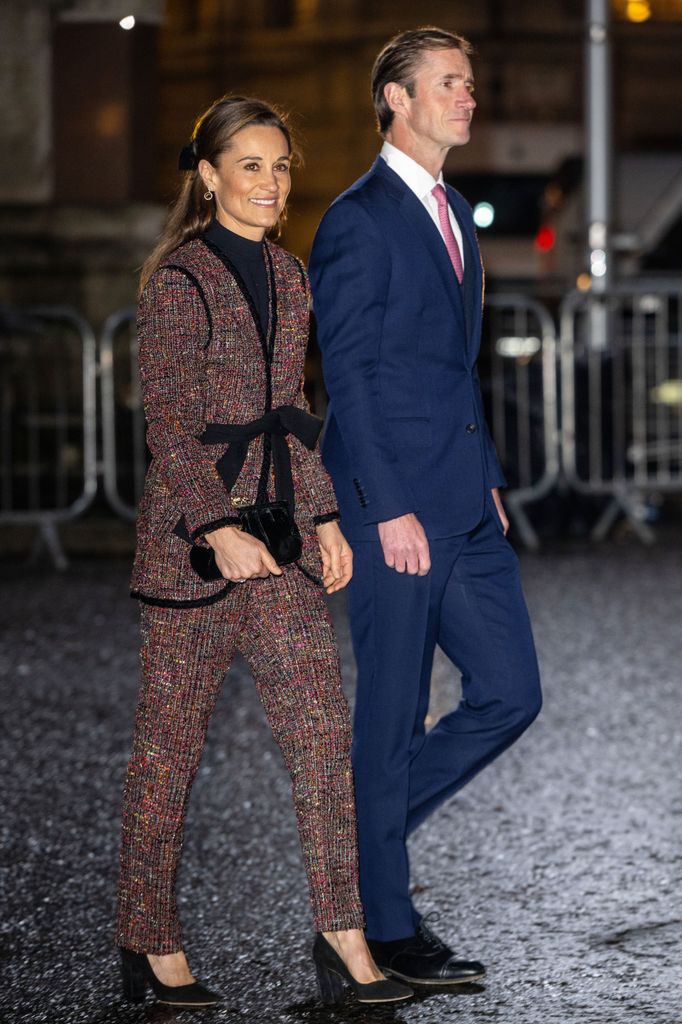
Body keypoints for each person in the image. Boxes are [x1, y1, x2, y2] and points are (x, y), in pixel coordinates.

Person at [115, 95, 411, 1008]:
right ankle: (146, 942)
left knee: (323, 740)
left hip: (279, 540)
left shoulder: (290, 274)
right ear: (207, 175)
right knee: (169, 752)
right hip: (192, 555)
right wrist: (216, 527)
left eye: (281, 167)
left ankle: (344, 941)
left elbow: (289, 417)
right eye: (250, 165)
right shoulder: (179, 281)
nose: (270, 183)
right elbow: (168, 423)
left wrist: (322, 518)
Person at [308, 28, 542, 985]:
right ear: (397, 99)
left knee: (512, 692)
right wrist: (386, 507)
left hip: (463, 502)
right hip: (389, 507)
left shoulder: (458, 216)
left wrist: (485, 471)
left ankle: (363, 838)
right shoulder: (357, 220)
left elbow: (453, 368)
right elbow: (351, 379)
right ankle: (385, 929)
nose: (468, 96)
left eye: (471, 83)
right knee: (393, 716)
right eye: (450, 83)